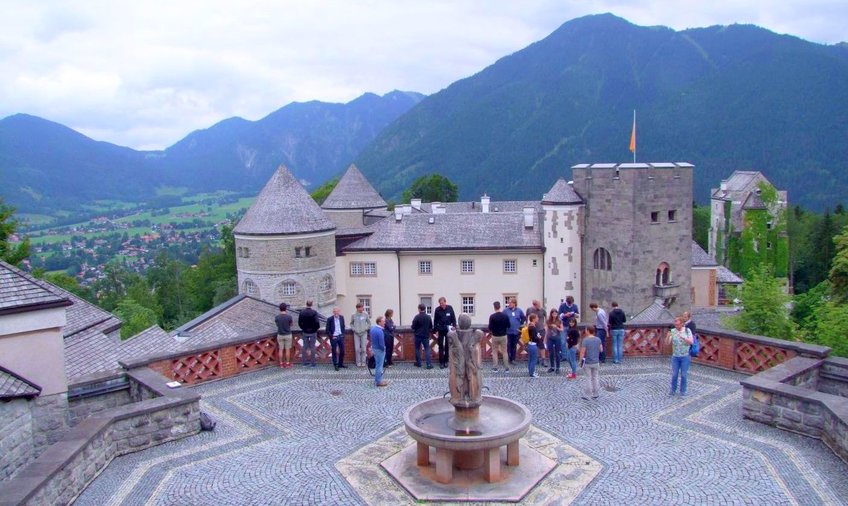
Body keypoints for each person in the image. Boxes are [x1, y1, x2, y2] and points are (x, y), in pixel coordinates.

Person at [667, 316, 694, 396]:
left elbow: (691, 342)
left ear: (682, 324)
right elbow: (667, 343)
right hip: (675, 356)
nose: (677, 326)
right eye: (676, 324)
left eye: (678, 324)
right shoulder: (673, 331)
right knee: (674, 374)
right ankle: (673, 389)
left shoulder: (687, 330)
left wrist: (684, 337)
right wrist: (668, 337)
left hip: (685, 356)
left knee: (683, 374)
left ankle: (683, 391)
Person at [579, 326, 603, 400]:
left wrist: (580, 361)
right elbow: (601, 349)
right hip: (596, 361)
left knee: (588, 378)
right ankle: (596, 393)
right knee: (595, 377)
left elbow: (582, 352)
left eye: (586, 330)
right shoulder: (598, 339)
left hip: (588, 362)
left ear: (588, 331)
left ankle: (588, 394)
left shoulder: (585, 340)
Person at [433, 297, 457, 369]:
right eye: (440, 304)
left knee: (447, 346)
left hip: (448, 329)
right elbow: (435, 321)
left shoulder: (450, 308)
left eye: (442, 303)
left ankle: (446, 361)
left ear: (445, 302)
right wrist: (436, 330)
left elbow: (453, 318)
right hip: (440, 329)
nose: (441, 305)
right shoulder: (437, 310)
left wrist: (454, 326)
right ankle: (441, 362)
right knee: (440, 346)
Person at [487, 301, 510, 372]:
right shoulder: (505, 316)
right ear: (500, 306)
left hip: (495, 336)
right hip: (503, 335)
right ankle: (506, 368)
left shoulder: (492, 316)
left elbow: (490, 327)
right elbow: (508, 325)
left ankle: (495, 368)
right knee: (505, 352)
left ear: (494, 307)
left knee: (494, 352)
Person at [297, 299, 320, 368]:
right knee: (313, 347)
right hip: (313, 332)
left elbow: (299, 323)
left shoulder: (302, 312)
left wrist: (303, 328)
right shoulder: (314, 312)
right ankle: (313, 363)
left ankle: (304, 362)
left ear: (306, 304)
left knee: (304, 347)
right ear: (312, 304)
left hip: (305, 331)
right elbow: (317, 322)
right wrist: (315, 329)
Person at [504, 297, 526, 365]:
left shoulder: (519, 310)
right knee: (508, 345)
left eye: (510, 302)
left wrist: (521, 325)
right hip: (508, 331)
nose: (509, 304)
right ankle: (508, 358)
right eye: (509, 302)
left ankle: (513, 359)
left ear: (514, 303)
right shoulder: (505, 311)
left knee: (514, 345)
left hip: (516, 331)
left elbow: (523, 318)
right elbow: (502, 318)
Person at [411, 303, 434, 369]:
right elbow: (431, 327)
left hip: (417, 335)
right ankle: (429, 364)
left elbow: (413, 326)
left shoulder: (417, 317)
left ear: (419, 309)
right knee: (427, 349)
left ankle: (419, 363)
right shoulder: (428, 317)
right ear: (424, 309)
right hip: (426, 335)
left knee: (417, 349)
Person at [526, 300, 547, 366]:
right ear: (534, 305)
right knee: (534, 344)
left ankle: (543, 359)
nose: (539, 306)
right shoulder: (529, 309)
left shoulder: (542, 310)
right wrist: (527, 324)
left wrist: (545, 325)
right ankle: (536, 358)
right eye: (538, 305)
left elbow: (546, 317)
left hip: (540, 329)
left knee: (541, 343)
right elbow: (526, 316)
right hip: (533, 329)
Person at [326, 306, 347, 371]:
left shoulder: (341, 317)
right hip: (334, 337)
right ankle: (335, 364)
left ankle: (341, 363)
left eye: (337, 311)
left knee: (342, 351)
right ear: (333, 312)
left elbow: (343, 326)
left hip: (341, 336)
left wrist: (343, 334)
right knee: (334, 351)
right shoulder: (330, 319)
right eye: (334, 311)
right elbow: (327, 330)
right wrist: (332, 336)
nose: (336, 313)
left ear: (339, 311)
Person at [350, 302, 371, 367]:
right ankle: (358, 362)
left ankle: (363, 362)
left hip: (364, 333)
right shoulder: (353, 315)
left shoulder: (365, 314)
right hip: (356, 333)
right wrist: (354, 329)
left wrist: (366, 328)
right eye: (361, 308)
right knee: (357, 349)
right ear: (357, 308)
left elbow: (369, 323)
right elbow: (351, 324)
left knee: (364, 349)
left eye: (362, 307)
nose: (362, 309)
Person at [370, 316, 388, 387]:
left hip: (374, 348)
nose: (384, 323)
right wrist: (384, 349)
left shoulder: (373, 328)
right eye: (383, 321)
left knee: (377, 365)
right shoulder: (380, 331)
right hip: (379, 350)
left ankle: (378, 379)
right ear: (379, 322)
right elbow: (381, 343)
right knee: (379, 366)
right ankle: (379, 381)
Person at [275, 303, 294, 368]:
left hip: (280, 334)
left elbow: (277, 325)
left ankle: (281, 363)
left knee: (280, 349)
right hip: (288, 334)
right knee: (287, 349)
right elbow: (291, 325)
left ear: (279, 309)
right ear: (286, 309)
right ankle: (287, 363)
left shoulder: (277, 317)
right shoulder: (289, 317)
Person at [545, 308, 563, 374]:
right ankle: (552, 367)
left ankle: (558, 367)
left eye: (555, 313)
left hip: (557, 338)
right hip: (550, 338)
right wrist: (545, 339)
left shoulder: (559, 321)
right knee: (551, 353)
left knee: (557, 353)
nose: (554, 315)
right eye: (553, 313)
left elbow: (562, 329)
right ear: (551, 314)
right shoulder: (548, 321)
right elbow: (546, 330)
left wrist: (557, 327)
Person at [525, 313, 541, 378]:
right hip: (533, 345)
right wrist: (539, 337)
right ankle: (532, 373)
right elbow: (534, 337)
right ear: (533, 319)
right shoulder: (533, 327)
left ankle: (530, 372)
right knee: (533, 360)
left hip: (529, 344)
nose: (538, 319)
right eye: (537, 318)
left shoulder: (529, 326)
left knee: (530, 359)